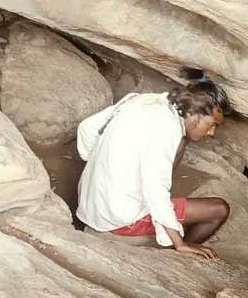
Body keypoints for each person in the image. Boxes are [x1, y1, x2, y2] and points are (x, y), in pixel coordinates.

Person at [76, 69, 231, 259]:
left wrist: (103, 168)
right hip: (118, 219)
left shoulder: (143, 99)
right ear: (192, 112)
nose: (212, 132)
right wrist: (179, 243)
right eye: (212, 124)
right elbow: (155, 189)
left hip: (89, 204)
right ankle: (179, 255)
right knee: (219, 209)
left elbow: (86, 129)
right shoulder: (167, 128)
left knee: (182, 143)